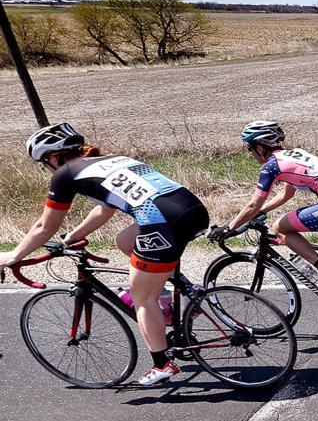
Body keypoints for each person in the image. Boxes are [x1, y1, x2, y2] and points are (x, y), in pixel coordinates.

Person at [0, 122, 210, 385]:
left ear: (53, 157)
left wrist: (14, 255)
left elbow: (45, 226)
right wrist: (74, 236)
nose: (47, 168)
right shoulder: (110, 160)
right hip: (192, 210)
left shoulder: (65, 173)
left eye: (44, 163)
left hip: (162, 223)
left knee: (142, 296)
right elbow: (104, 209)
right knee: (124, 241)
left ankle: (162, 364)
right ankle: (184, 292)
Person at [212, 121, 318, 308]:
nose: (251, 154)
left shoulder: (272, 166)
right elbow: (286, 193)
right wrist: (262, 212)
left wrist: (228, 228)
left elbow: (252, 204)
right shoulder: (295, 155)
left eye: (250, 149)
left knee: (280, 228)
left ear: (259, 148)